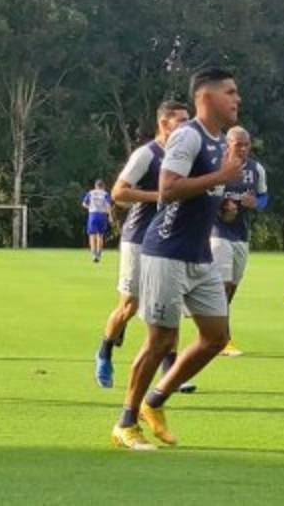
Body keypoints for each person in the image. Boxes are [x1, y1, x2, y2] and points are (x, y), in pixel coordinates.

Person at [110, 67, 243, 450]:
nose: (237, 99)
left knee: (216, 337)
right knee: (161, 340)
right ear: (207, 97)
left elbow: (203, 194)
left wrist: (225, 206)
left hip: (199, 255)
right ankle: (126, 422)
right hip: (165, 252)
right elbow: (168, 189)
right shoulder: (188, 136)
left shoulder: (220, 142)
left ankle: (155, 402)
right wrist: (221, 175)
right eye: (230, 92)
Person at [95, 101, 189, 388]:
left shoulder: (188, 155)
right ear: (164, 124)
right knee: (129, 306)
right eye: (182, 121)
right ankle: (105, 350)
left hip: (169, 241)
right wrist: (158, 195)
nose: (188, 126)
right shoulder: (147, 154)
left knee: (170, 306)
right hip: (138, 239)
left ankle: (170, 373)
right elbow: (119, 192)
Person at [210, 126, 268, 357]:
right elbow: (203, 196)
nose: (243, 149)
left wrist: (255, 204)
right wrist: (222, 207)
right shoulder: (216, 166)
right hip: (216, 232)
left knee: (231, 287)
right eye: (238, 145)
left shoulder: (256, 169)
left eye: (246, 145)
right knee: (222, 285)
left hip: (241, 235)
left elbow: (263, 197)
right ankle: (223, 339)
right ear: (228, 144)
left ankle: (211, 325)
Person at [83, 180, 113, 262]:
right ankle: (99, 255)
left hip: (93, 215)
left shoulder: (91, 193)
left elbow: (84, 204)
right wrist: (110, 216)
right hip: (102, 215)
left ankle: (93, 255)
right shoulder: (105, 194)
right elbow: (108, 206)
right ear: (103, 186)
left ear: (95, 186)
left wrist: (90, 207)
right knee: (100, 236)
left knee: (92, 236)